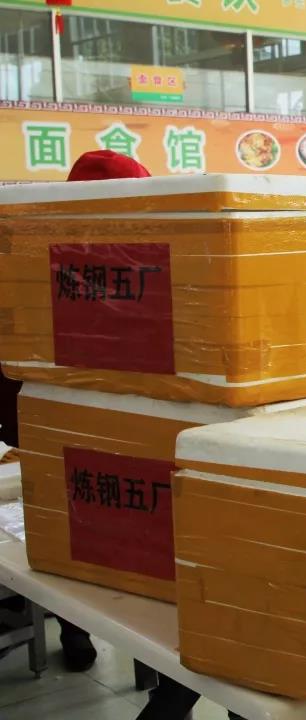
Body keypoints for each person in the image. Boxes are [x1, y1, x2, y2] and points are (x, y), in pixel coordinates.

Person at [0, 150, 152, 673]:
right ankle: (106, 640)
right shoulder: (148, 260)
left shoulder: (31, 259)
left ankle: (80, 631)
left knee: (73, 530)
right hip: (112, 435)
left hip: (56, 433)